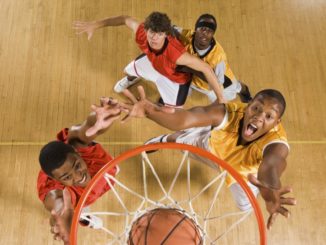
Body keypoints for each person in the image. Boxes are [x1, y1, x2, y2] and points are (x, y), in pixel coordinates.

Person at [116, 86, 296, 229]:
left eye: (269, 116)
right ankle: (165, 139)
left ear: (276, 123)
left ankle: (202, 129)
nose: (258, 116)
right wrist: (150, 112)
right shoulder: (227, 113)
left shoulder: (277, 144)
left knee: (244, 207)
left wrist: (270, 193)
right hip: (211, 150)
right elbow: (183, 119)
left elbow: (270, 167)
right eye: (256, 108)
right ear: (248, 106)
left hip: (241, 175)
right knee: (180, 140)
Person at [73, 12, 226, 107]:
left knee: (171, 111)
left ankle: (160, 103)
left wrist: (221, 99)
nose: (154, 38)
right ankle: (131, 80)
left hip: (174, 79)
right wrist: (96, 24)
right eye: (152, 32)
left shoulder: (176, 53)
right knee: (130, 70)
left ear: (166, 34)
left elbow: (205, 68)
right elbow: (125, 19)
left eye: (159, 34)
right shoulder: (141, 32)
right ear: (145, 29)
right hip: (154, 63)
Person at [37, 97, 121, 243]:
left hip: (102, 172)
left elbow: (84, 130)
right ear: (57, 181)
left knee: (112, 169)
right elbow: (58, 205)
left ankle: (111, 172)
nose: (78, 176)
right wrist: (61, 219)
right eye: (67, 177)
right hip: (80, 200)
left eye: (77, 165)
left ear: (76, 152)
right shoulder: (56, 193)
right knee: (77, 210)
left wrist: (99, 118)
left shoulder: (78, 145)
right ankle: (83, 218)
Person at [174, 13, 252, 103]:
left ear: (213, 34)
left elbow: (216, 82)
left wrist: (190, 68)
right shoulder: (187, 35)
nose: (205, 33)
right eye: (202, 28)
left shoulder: (218, 57)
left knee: (236, 88)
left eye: (209, 30)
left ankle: (245, 93)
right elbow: (172, 28)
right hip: (193, 80)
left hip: (217, 85)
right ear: (196, 29)